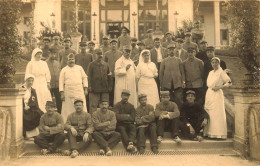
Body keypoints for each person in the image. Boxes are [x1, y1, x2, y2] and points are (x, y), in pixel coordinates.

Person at [204, 57, 232, 139]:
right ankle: (209, 133)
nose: (214, 64)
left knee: (217, 114)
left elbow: (229, 82)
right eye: (213, 62)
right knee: (209, 112)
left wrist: (219, 87)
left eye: (216, 62)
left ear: (219, 63)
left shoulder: (221, 72)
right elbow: (209, 84)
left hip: (217, 94)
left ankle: (218, 134)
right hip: (209, 93)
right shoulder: (210, 72)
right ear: (211, 64)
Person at [59, 53, 88, 121]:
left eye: (72, 59)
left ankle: (83, 122)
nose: (71, 61)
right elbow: (61, 82)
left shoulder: (79, 68)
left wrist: (85, 88)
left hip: (79, 91)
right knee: (68, 109)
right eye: (70, 59)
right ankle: (67, 124)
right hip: (68, 92)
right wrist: (62, 93)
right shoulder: (64, 70)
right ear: (67, 61)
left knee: (81, 106)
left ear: (75, 60)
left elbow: (84, 78)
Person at [25, 48, 52, 112]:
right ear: (34, 55)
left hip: (43, 82)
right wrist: (29, 82)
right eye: (38, 54)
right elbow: (27, 74)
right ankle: (37, 112)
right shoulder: (30, 63)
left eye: (40, 54)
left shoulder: (44, 63)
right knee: (36, 96)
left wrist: (48, 82)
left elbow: (47, 73)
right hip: (34, 82)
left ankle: (45, 112)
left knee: (44, 96)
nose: (39, 55)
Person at [160, 44, 185, 108]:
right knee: (168, 99)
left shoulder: (179, 60)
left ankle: (179, 114)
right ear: (167, 51)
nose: (171, 51)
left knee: (178, 99)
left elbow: (182, 72)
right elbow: (161, 73)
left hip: (177, 83)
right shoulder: (164, 61)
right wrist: (162, 84)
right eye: (170, 50)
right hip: (167, 84)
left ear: (175, 50)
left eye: (173, 50)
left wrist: (183, 82)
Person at [87, 48, 112, 114]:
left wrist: (110, 86)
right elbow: (88, 76)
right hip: (94, 89)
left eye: (101, 54)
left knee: (105, 105)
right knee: (93, 106)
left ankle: (104, 120)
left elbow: (109, 76)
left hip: (104, 89)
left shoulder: (106, 64)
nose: (100, 55)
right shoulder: (91, 65)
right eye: (98, 54)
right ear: (95, 55)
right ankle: (93, 121)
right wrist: (89, 86)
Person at [22, 74, 44, 138]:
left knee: (39, 113)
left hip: (31, 107)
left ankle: (35, 133)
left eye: (32, 81)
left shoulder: (33, 90)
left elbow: (35, 101)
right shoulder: (22, 88)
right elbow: (19, 100)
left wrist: (31, 106)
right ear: (26, 80)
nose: (31, 82)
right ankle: (27, 134)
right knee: (25, 115)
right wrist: (24, 106)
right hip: (22, 107)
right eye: (29, 80)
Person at [104, 39, 122, 107]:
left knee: (117, 89)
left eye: (115, 44)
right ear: (110, 45)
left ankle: (117, 104)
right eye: (112, 44)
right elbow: (105, 63)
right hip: (110, 75)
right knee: (110, 90)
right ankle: (110, 104)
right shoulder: (107, 53)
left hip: (118, 74)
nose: (113, 45)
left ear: (117, 45)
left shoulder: (120, 53)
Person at [46, 48, 62, 113]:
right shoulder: (45, 63)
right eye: (52, 53)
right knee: (49, 101)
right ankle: (49, 114)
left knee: (59, 101)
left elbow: (60, 73)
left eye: (55, 54)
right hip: (49, 85)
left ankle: (59, 114)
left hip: (57, 85)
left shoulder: (57, 63)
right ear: (49, 54)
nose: (53, 55)